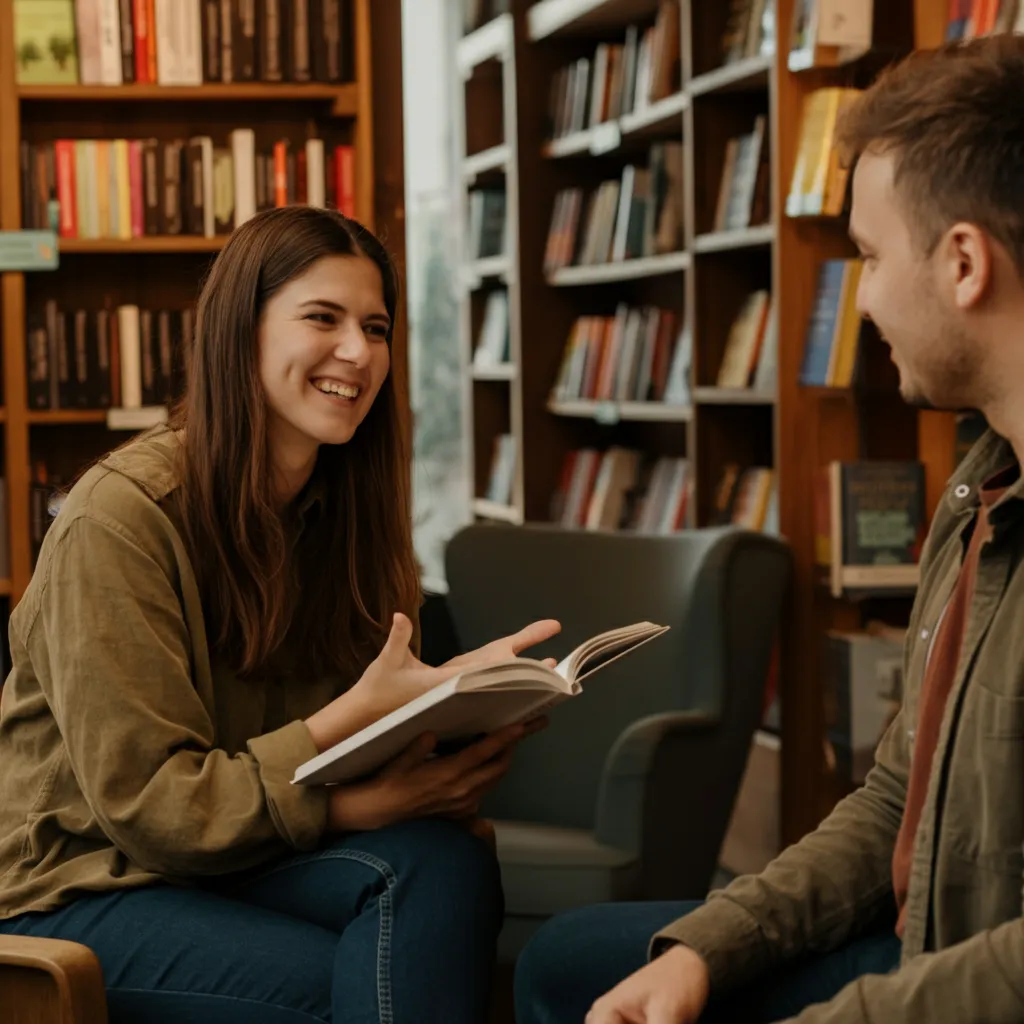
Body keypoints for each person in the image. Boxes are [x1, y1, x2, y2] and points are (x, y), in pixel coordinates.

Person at [516, 32, 1024, 1024]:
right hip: (922, 939)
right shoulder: (978, 486)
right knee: (579, 962)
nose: (862, 295)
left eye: (870, 256)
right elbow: (893, 801)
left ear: (963, 262)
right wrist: (709, 947)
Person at [0, 205, 560, 1023]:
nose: (358, 352)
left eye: (375, 326)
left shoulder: (348, 517)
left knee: (444, 865)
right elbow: (156, 812)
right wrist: (361, 745)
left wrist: (445, 706)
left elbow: (348, 754)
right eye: (322, 318)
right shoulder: (118, 518)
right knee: (350, 984)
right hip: (80, 881)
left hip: (239, 856)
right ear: (242, 332)